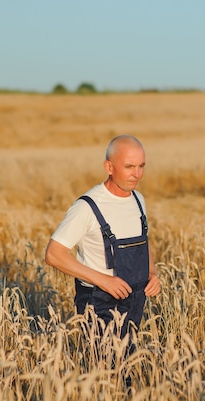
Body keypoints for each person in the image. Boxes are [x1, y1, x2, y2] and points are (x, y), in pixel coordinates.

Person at [45, 134, 161, 338]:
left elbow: (143, 240)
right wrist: (104, 281)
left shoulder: (138, 199)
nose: (137, 174)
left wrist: (152, 273)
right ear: (109, 167)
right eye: (129, 166)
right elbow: (54, 254)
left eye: (141, 166)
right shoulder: (87, 207)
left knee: (128, 364)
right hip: (99, 303)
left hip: (135, 299)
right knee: (106, 366)